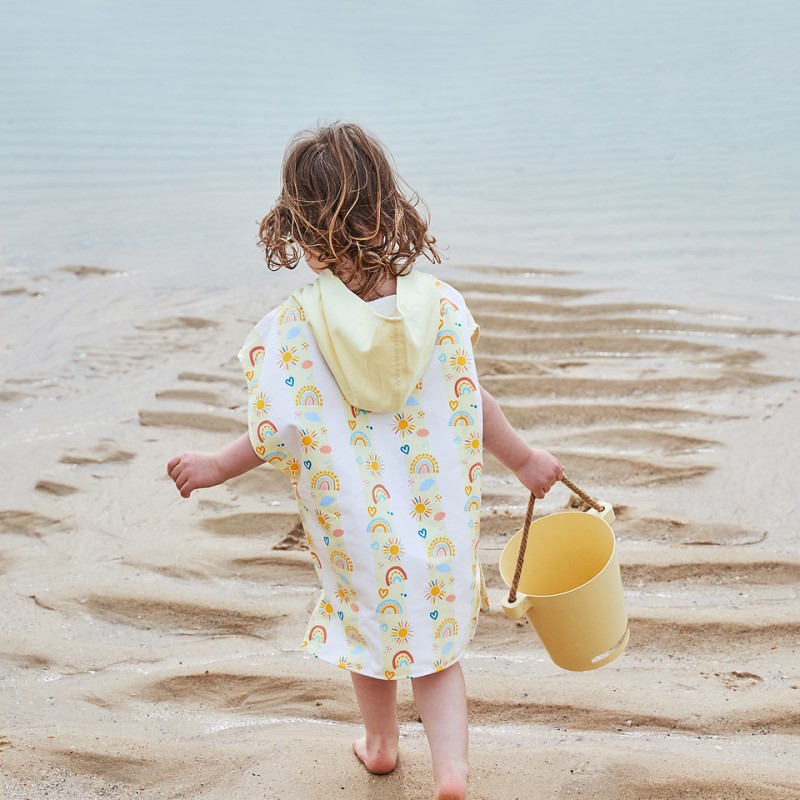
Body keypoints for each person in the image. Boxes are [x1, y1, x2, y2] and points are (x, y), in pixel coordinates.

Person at [167, 122, 563, 800]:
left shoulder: (294, 328)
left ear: (299, 232)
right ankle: (452, 771)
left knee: (371, 637)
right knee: (436, 654)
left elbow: (276, 429)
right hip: (439, 527)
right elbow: (473, 401)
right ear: (390, 210)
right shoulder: (440, 308)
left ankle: (381, 748)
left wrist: (213, 465)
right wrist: (524, 460)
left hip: (357, 534)